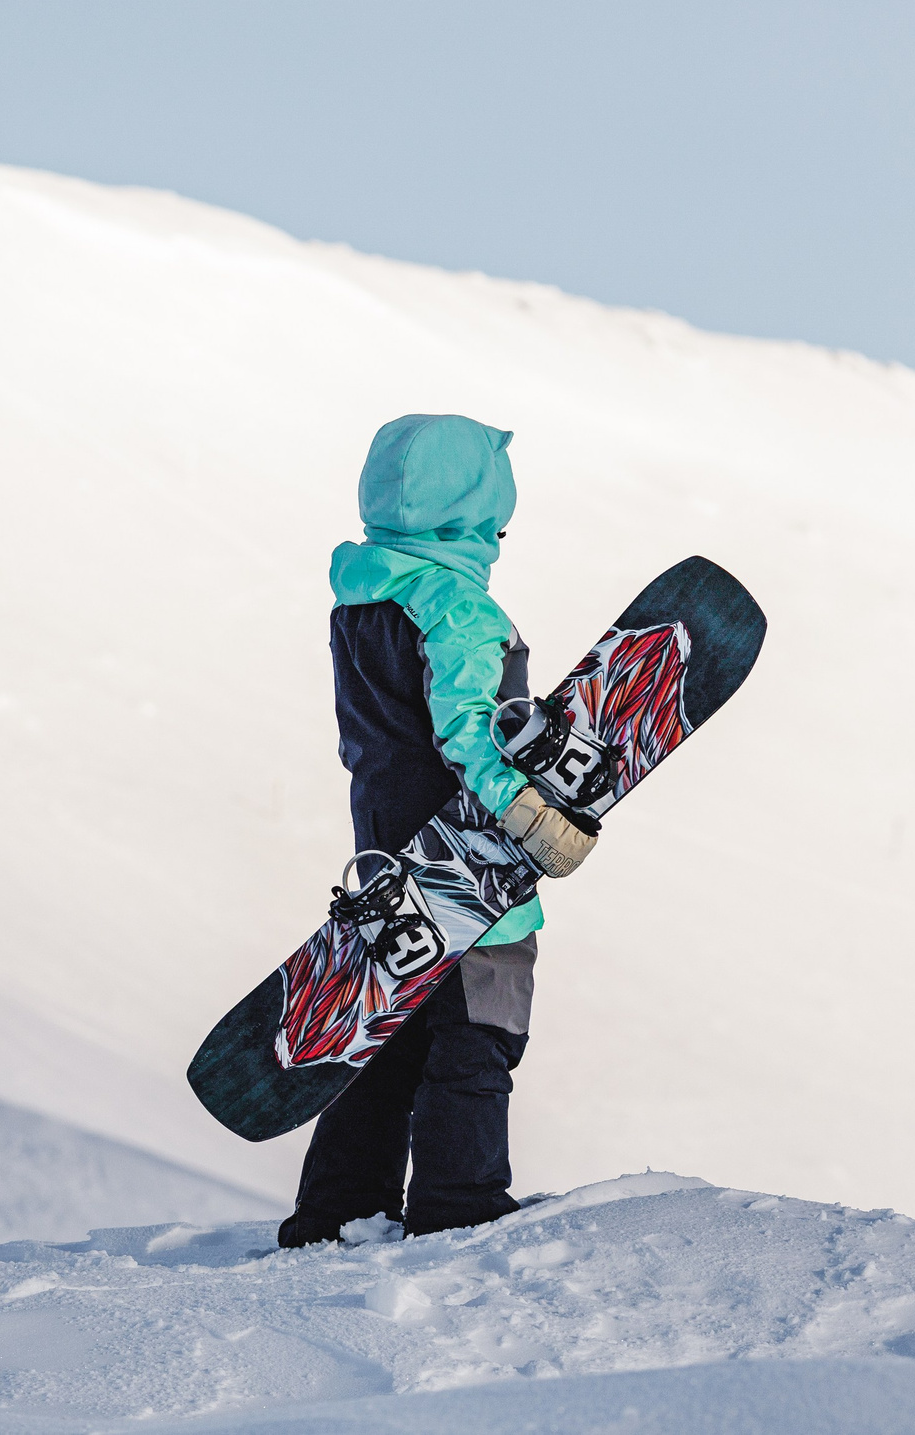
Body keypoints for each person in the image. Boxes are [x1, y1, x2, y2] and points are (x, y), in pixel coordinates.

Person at [275, 414, 598, 1248]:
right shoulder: (460, 609)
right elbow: (467, 731)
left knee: (387, 1032)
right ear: (467, 514)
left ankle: (340, 1206)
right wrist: (521, 807)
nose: (500, 533)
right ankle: (459, 1201)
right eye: (495, 516)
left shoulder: (363, 600)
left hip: (385, 853)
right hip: (468, 862)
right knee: (478, 1030)